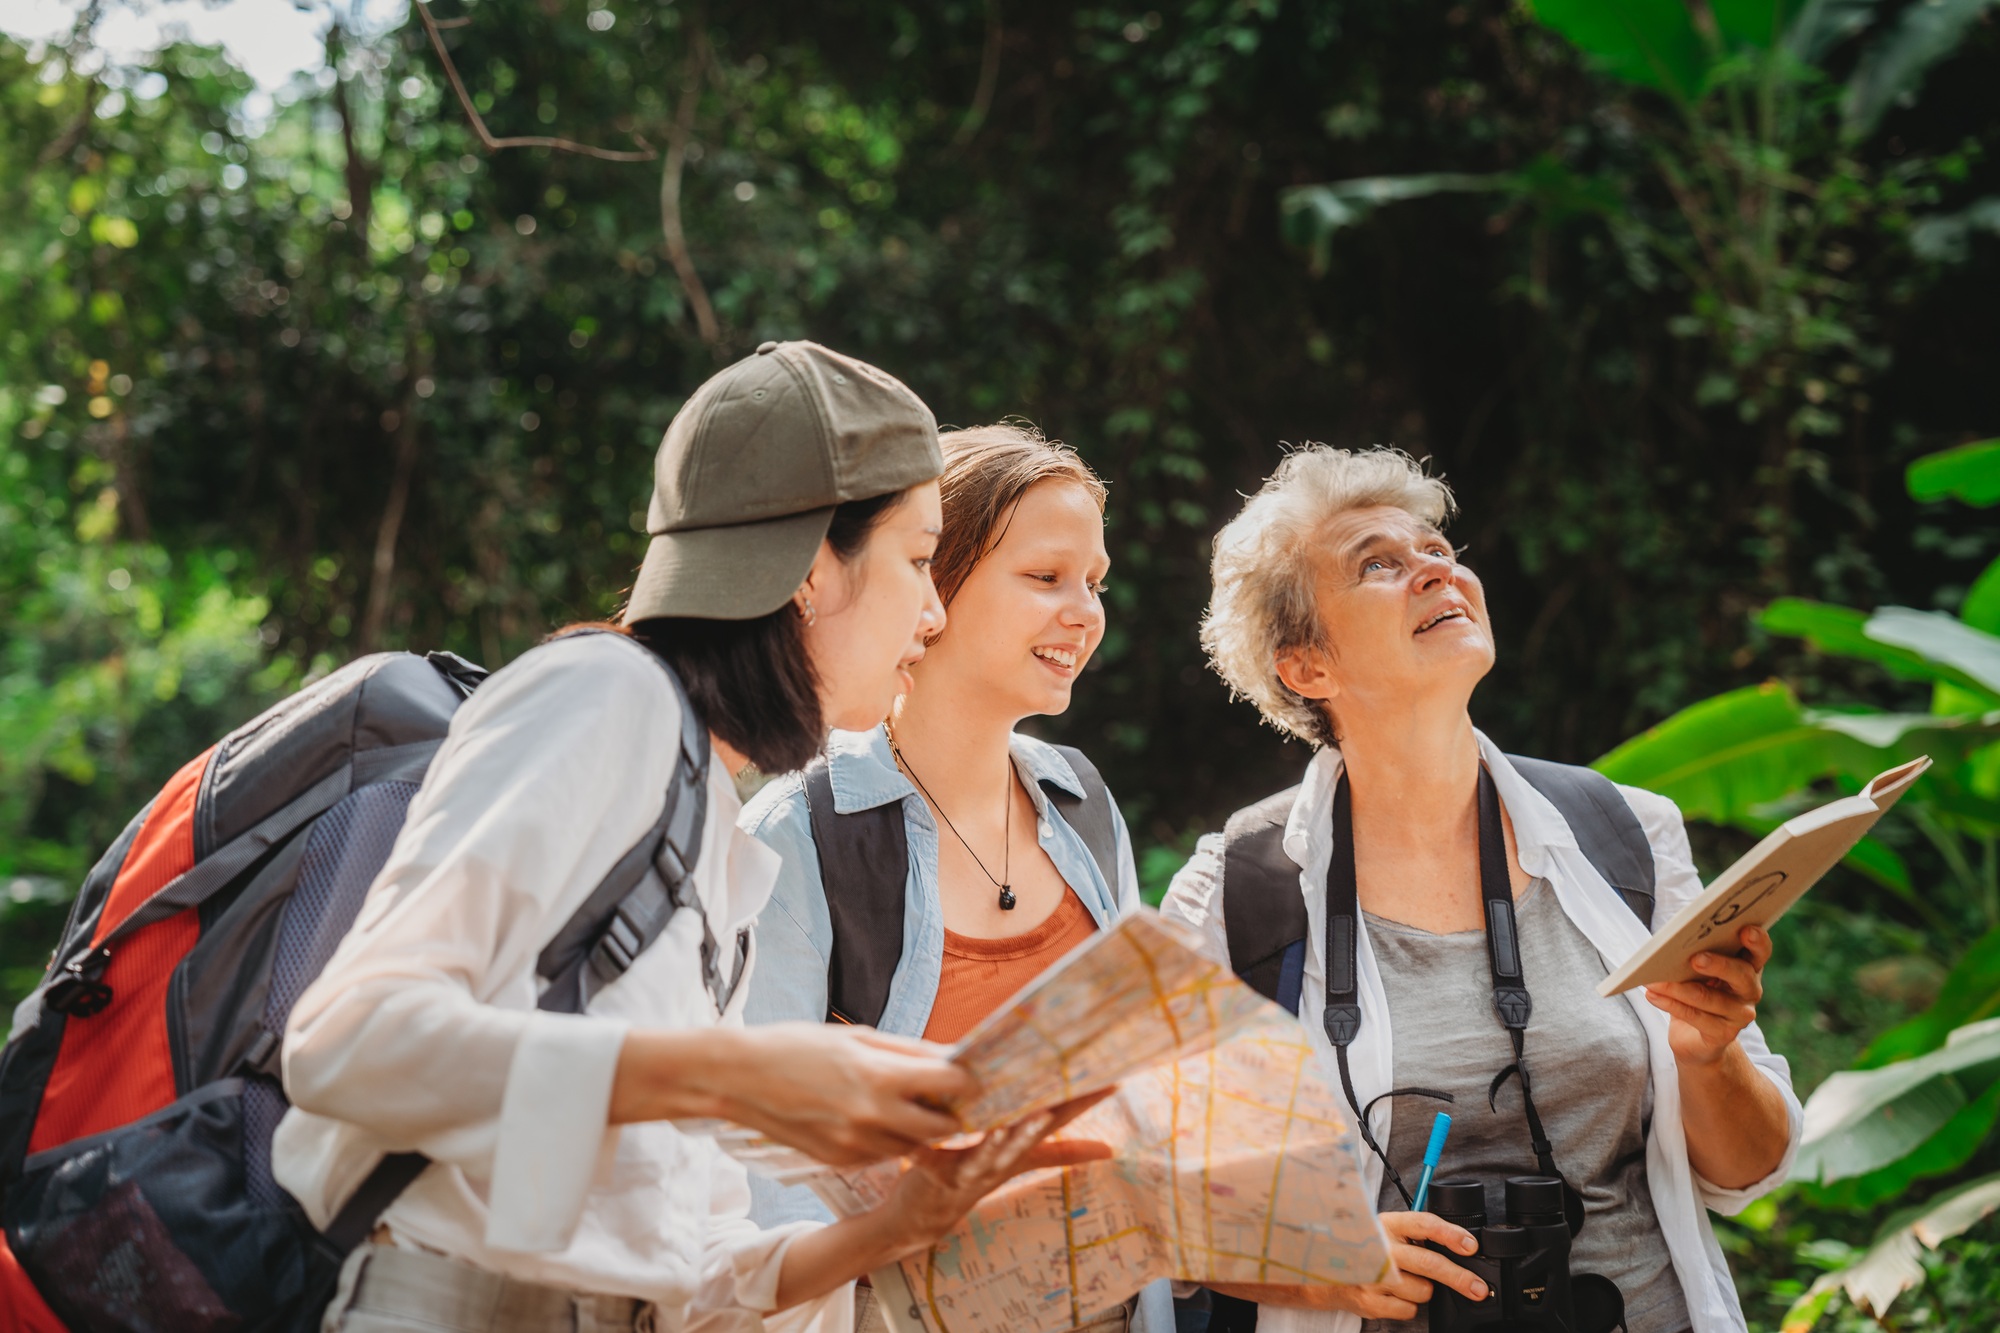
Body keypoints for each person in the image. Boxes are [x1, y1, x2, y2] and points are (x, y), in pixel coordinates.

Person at [274, 345, 1106, 1333]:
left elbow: (695, 1270)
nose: (931, 612)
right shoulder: (605, 693)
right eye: (920, 559)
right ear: (808, 569)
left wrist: (907, 1218)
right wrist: (745, 1074)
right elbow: (345, 1042)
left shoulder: (711, 820)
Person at [1160, 447, 1798, 1333]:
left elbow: (1752, 1167)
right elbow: (1159, 1205)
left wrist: (1707, 1052)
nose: (1434, 568)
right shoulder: (1236, 892)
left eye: (1436, 548)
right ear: (1305, 666)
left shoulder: (1628, 835)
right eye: (1377, 564)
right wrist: (1323, 1258)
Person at [741, 423, 1171, 1333]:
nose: (1085, 612)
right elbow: (761, 1176)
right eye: (1045, 577)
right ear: (934, 581)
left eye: (1094, 583)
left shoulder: (1085, 801)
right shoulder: (797, 833)